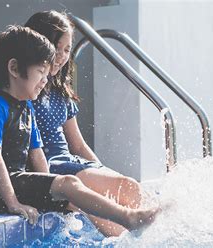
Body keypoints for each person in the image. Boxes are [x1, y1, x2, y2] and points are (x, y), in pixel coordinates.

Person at [0, 25, 159, 231]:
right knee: (69, 184)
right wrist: (13, 202)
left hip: (18, 181)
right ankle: (129, 218)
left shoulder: (26, 106)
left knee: (75, 196)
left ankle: (123, 238)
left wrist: (50, 185)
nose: (45, 80)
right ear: (14, 68)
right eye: (41, 72)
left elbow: (37, 153)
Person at [25, 10, 145, 237]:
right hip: (53, 169)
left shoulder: (62, 93)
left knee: (125, 190)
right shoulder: (27, 89)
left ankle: (127, 241)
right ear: (38, 43)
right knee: (129, 188)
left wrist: (101, 171)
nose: (61, 56)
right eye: (55, 47)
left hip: (71, 162)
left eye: (67, 49)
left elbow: (78, 145)